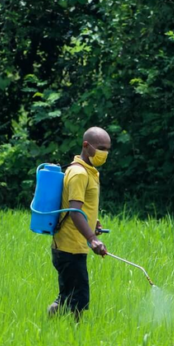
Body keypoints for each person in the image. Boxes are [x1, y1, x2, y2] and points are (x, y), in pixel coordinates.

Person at [48, 127, 111, 320]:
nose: (104, 153)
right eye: (100, 148)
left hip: (72, 246)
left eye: (107, 149)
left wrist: (93, 224)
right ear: (86, 145)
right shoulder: (79, 173)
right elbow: (75, 211)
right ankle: (75, 337)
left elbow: (83, 207)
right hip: (70, 247)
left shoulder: (89, 171)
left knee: (67, 297)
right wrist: (91, 238)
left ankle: (52, 327)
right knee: (78, 300)